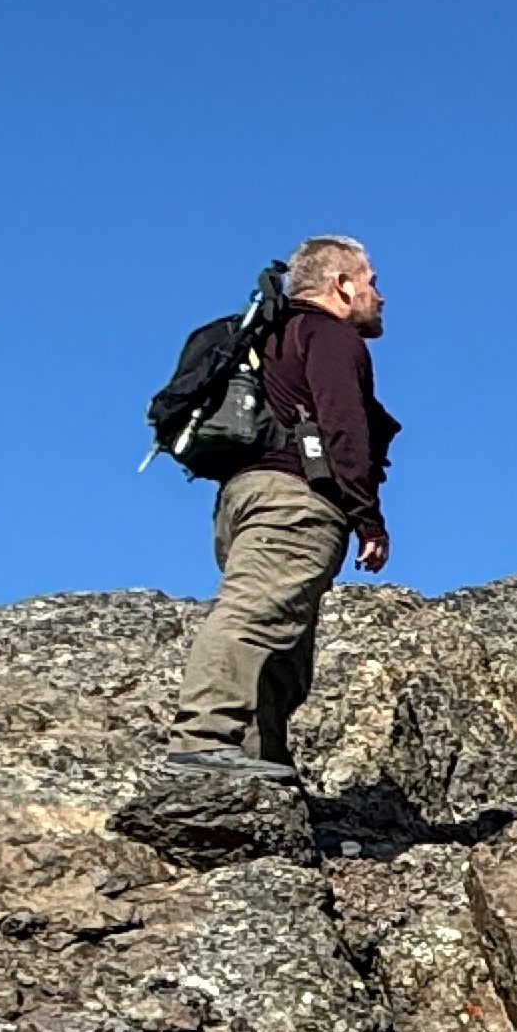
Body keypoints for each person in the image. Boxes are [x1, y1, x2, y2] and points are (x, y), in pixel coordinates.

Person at [166, 234, 398, 778]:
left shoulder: (268, 336)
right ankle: (203, 741)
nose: (381, 296)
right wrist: (368, 516)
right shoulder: (329, 335)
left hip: (242, 497)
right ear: (342, 284)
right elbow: (343, 424)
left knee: (283, 646)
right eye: (372, 282)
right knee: (256, 617)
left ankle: (258, 766)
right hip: (294, 500)